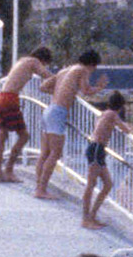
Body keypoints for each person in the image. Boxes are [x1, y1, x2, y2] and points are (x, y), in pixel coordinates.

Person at [34, 51, 102, 199]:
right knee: (55, 154)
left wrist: (62, 91)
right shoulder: (82, 70)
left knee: (45, 153)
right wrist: (99, 88)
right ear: (92, 65)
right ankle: (41, 190)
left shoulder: (65, 70)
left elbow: (43, 87)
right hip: (58, 113)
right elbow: (86, 90)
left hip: (50, 110)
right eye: (94, 68)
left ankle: (38, 186)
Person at [0, 44, 52, 184]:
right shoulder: (33, 62)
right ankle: (9, 170)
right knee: (24, 136)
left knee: (1, 135)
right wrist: (62, 79)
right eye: (46, 63)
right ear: (43, 59)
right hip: (10, 99)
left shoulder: (22, 61)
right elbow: (46, 75)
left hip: (0, 97)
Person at [80, 92, 127, 228]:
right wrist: (127, 126)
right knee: (91, 184)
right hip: (96, 149)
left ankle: (92, 216)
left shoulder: (104, 113)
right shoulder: (112, 114)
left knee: (108, 184)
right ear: (120, 106)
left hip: (99, 150)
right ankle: (85, 219)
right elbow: (125, 129)